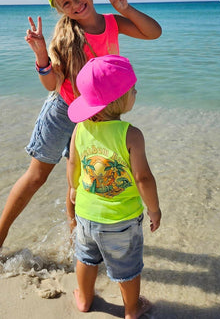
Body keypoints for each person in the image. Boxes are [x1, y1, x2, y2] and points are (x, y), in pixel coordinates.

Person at [0, 0, 161, 269]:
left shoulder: (112, 23)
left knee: (83, 175)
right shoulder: (65, 34)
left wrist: (126, 9)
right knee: (37, 176)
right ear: (59, 9)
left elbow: (153, 33)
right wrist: (41, 55)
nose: (75, 4)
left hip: (98, 113)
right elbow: (52, 84)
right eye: (65, 3)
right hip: (63, 110)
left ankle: (76, 231)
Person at [67, 55, 161, 319]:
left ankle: (85, 299)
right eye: (132, 89)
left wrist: (74, 188)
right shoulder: (131, 134)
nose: (136, 92)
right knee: (127, 268)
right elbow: (143, 179)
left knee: (86, 258)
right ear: (118, 98)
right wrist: (154, 209)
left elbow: (73, 162)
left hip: (86, 215)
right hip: (121, 220)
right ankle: (132, 309)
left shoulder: (80, 128)